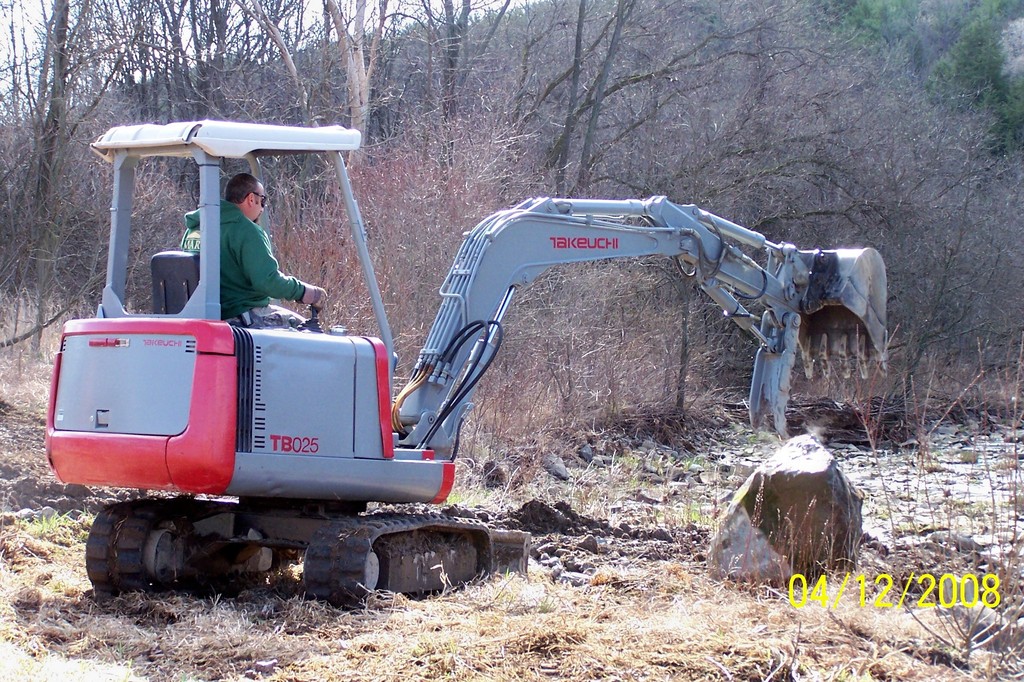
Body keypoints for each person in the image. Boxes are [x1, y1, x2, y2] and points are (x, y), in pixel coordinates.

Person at [181, 173, 327, 329]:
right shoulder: (246, 230)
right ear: (251, 199)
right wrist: (305, 292)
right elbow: (268, 281)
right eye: (263, 200)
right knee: (306, 330)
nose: (263, 208)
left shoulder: (195, 228)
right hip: (239, 316)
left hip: (201, 316)